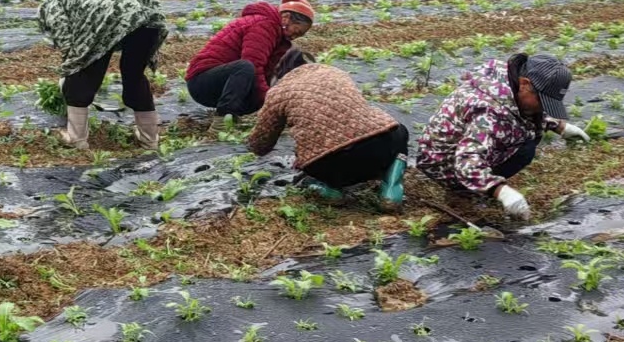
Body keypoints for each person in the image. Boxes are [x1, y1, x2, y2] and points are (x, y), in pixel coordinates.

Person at [416, 53, 587, 220]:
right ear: (525, 84)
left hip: (453, 150)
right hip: (444, 163)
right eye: (543, 101)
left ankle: (480, 183)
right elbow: (466, 161)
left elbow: (522, 111)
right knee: (525, 149)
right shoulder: (490, 112)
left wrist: (558, 126)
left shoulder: (505, 81)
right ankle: (466, 190)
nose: (543, 108)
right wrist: (500, 191)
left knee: (526, 135)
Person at [247, 48, 409, 205]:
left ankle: (330, 191)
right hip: (378, 149)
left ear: (282, 73)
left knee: (313, 162)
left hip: (327, 166)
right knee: (400, 130)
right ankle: (391, 189)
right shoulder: (335, 73)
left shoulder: (278, 92)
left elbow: (260, 145)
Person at [36, 0, 168, 149]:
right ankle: (150, 140)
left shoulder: (51, 6)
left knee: (84, 75)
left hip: (106, 12)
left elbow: (71, 50)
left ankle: (76, 139)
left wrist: (68, 78)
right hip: (148, 9)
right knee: (134, 75)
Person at [185, 0, 315, 119]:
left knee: (286, 65)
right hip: (202, 81)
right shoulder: (264, 25)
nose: (294, 37)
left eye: (299, 35)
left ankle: (232, 116)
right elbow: (254, 64)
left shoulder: (279, 36)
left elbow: (269, 72)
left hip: (226, 83)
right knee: (246, 67)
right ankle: (222, 118)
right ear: (286, 17)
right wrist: (269, 101)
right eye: (296, 31)